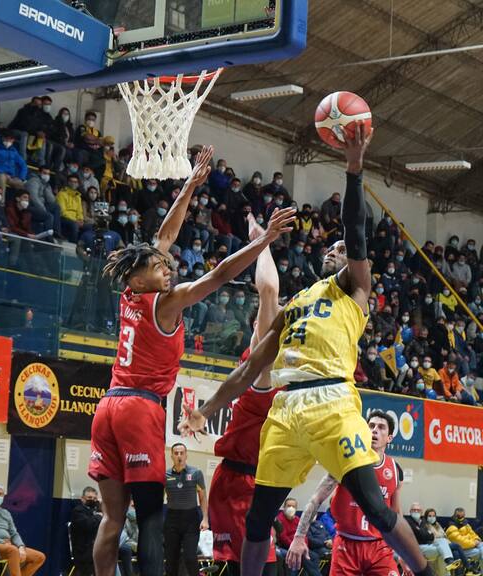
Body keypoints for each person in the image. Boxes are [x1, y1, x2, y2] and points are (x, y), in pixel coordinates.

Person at [180, 125, 435, 576]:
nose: (338, 249)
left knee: (376, 508)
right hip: (286, 409)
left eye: (344, 249)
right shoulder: (297, 303)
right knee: (257, 521)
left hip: (332, 401)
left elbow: (355, 230)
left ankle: (426, 572)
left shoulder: (354, 291)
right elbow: (250, 369)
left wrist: (354, 169)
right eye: (332, 247)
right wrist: (205, 409)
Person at [90, 145, 296, 576]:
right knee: (150, 516)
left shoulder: (130, 293)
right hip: (138, 407)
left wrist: (189, 187)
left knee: (112, 517)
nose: (167, 268)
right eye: (159, 268)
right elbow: (220, 274)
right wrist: (263, 241)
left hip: (107, 406)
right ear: (139, 277)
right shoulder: (165, 302)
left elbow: (164, 237)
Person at [207, 215, 281, 576]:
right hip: (238, 483)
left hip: (257, 481)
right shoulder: (262, 364)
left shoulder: (283, 372)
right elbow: (268, 292)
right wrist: (262, 242)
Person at [286, 411, 404, 576]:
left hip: (379, 547)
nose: (374, 430)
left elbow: (397, 514)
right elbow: (316, 499)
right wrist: (299, 537)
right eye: (371, 426)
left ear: (389, 438)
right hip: (346, 545)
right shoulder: (345, 462)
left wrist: (405, 554)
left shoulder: (395, 470)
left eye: (381, 427)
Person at [0, 484, 46, 576]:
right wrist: (2, 542)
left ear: (3, 497)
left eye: (0, 494)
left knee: (39, 557)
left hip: (9, 545)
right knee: (13, 550)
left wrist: (21, 547)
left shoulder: (6, 513)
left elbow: (14, 533)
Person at [164, 444, 208, 576]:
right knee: (171, 560)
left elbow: (202, 497)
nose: (179, 456)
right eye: (176, 453)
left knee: (190, 557)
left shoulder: (196, 473)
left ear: (186, 455)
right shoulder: (165, 475)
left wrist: (205, 519)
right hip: (172, 520)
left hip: (191, 520)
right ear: (171, 456)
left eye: (182, 453)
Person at [405, 502, 453, 576]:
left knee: (442, 541)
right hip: (415, 548)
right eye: (414, 510)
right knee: (442, 551)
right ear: (410, 511)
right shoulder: (408, 521)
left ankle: (449, 559)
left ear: (421, 512)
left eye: (418, 510)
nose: (416, 512)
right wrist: (425, 533)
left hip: (426, 545)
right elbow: (422, 534)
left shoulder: (423, 522)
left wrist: (424, 533)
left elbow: (430, 536)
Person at [69, 487, 103, 576]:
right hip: (83, 549)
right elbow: (88, 525)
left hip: (95, 546)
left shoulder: (94, 510)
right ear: (82, 499)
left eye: (94, 498)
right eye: (89, 498)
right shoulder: (78, 511)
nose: (92, 500)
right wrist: (99, 516)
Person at [25, 165, 61, 235]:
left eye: (48, 174)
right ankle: (48, 237)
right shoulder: (33, 181)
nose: (47, 175)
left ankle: (56, 231)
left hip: (42, 206)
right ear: (39, 173)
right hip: (32, 206)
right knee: (49, 216)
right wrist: (43, 208)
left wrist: (46, 188)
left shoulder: (46, 184)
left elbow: (51, 200)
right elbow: (33, 198)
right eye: (44, 173)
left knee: (56, 206)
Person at [56, 174, 84, 242]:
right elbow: (62, 211)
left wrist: (80, 219)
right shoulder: (62, 194)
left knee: (89, 227)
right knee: (74, 225)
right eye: (71, 181)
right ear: (68, 182)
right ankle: (73, 245)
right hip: (64, 218)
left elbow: (79, 211)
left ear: (78, 184)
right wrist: (75, 220)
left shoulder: (78, 196)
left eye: (75, 182)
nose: (73, 183)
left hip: (75, 220)